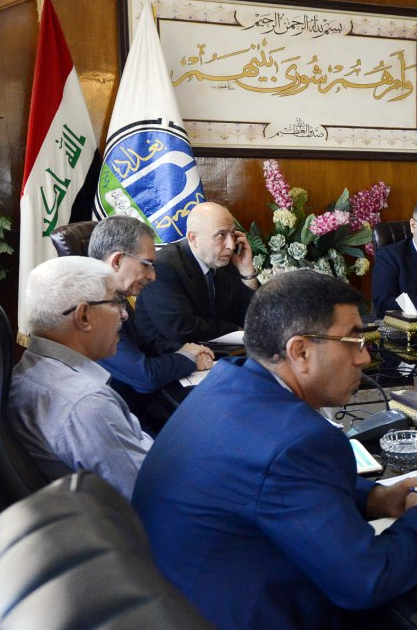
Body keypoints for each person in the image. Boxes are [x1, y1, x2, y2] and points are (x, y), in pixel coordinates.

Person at [132, 270, 417, 630]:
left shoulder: (226, 383)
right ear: (300, 352)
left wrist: (375, 498)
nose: (365, 357)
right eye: (354, 341)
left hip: (177, 609)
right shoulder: (300, 441)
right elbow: (367, 580)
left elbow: (272, 486)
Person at [8, 256, 154, 497]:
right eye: (117, 301)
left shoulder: (25, 373)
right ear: (84, 316)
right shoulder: (86, 404)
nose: (124, 314)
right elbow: (150, 496)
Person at [88, 216, 214, 420]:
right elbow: (146, 377)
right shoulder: (93, 306)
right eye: (147, 264)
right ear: (117, 261)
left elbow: (142, 342)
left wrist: (187, 350)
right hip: (119, 420)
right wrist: (187, 358)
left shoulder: (115, 295)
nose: (152, 276)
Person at [133, 201, 258, 349]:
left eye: (232, 234)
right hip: (169, 355)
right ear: (193, 238)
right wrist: (234, 329)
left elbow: (252, 320)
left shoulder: (225, 261)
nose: (231, 245)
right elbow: (183, 328)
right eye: (221, 235)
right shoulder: (163, 266)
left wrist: (247, 271)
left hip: (218, 352)